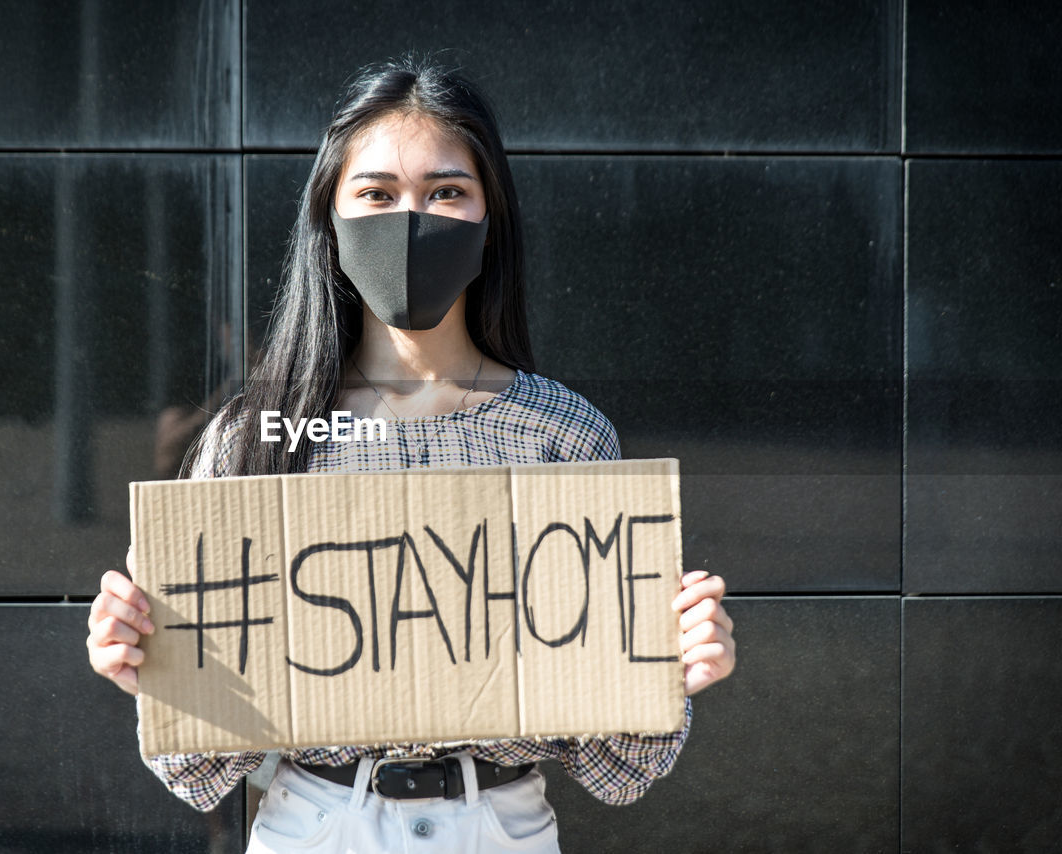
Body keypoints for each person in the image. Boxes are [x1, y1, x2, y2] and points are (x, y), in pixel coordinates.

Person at [87, 56, 736, 854]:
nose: (410, 217)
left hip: (501, 830)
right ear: (330, 216)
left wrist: (670, 672)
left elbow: (615, 769)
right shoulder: (260, 436)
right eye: (377, 193)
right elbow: (201, 773)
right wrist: (148, 666)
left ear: (489, 218)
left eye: (447, 191)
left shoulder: (561, 434)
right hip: (313, 828)